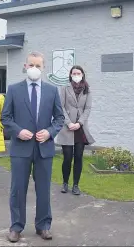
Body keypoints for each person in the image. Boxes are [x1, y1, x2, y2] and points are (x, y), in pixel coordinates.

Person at [1, 51, 64, 243]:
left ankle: (43, 225)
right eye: (31, 65)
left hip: (43, 149)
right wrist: (18, 131)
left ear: (43, 68)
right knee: (18, 189)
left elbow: (59, 118)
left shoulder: (52, 91)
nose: (34, 69)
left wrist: (50, 132)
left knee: (43, 189)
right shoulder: (13, 89)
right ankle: (16, 227)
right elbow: (6, 117)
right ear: (25, 66)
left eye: (38, 65)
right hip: (21, 148)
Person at [55, 65, 95, 196]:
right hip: (68, 127)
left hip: (80, 128)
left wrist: (79, 123)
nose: (76, 75)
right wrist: (69, 123)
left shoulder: (87, 89)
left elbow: (88, 109)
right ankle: (65, 183)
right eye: (74, 73)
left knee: (78, 157)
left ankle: (76, 185)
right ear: (70, 75)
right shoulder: (64, 88)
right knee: (67, 157)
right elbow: (60, 106)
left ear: (83, 74)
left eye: (78, 73)